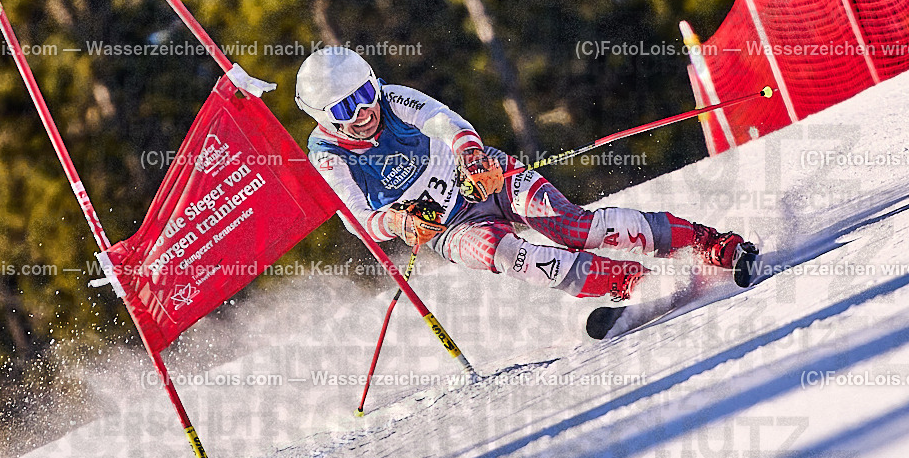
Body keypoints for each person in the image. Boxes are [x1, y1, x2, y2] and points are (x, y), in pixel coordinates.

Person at [295, 46, 757, 301]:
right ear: (322, 116)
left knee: (576, 226)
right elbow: (356, 220)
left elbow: (445, 121)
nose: (362, 113)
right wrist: (401, 223)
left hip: (480, 178)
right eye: (343, 108)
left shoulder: (392, 99)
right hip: (448, 227)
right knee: (507, 253)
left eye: (364, 94)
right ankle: (628, 282)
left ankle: (708, 243)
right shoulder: (329, 155)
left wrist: (472, 158)